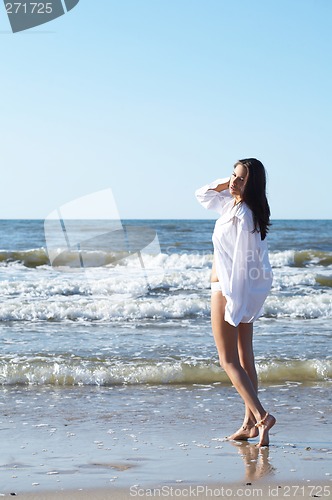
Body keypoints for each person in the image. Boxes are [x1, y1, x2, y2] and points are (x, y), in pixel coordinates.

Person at [195, 158, 276, 447]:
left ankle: (262, 417)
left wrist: (234, 302)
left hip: (227, 290)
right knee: (244, 359)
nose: (233, 182)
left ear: (252, 185)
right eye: (234, 175)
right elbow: (203, 195)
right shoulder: (235, 206)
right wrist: (229, 182)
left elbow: (242, 264)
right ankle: (249, 424)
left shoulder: (243, 216)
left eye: (241, 179)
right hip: (237, 291)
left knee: (227, 360)